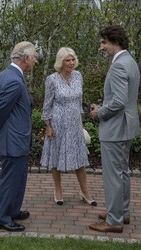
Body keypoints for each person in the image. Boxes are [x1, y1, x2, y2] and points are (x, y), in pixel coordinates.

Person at [0, 41, 38, 232]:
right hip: (12, 139)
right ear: (26, 58)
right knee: (10, 179)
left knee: (18, 178)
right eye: (34, 57)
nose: (36, 61)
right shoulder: (13, 79)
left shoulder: (7, 75)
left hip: (16, 138)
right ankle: (1, 218)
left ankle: (12, 210)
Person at [89, 25, 140, 233]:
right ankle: (122, 213)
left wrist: (99, 112)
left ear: (115, 42)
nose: (101, 47)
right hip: (126, 126)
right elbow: (124, 100)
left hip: (116, 129)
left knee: (113, 175)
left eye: (104, 43)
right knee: (122, 172)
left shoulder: (119, 65)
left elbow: (118, 101)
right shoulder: (131, 61)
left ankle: (114, 220)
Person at [40, 47, 97, 207]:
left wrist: (80, 123)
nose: (71, 63)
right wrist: (48, 125)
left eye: (73, 59)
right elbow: (47, 104)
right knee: (56, 157)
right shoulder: (52, 79)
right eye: (67, 60)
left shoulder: (78, 76)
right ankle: (58, 190)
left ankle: (85, 191)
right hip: (57, 123)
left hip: (74, 124)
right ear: (60, 62)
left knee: (80, 158)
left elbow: (79, 102)